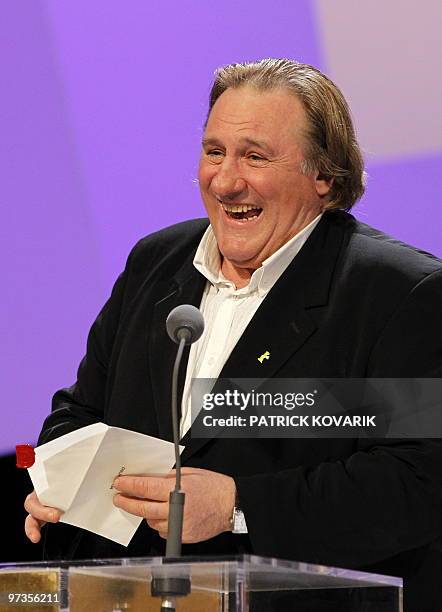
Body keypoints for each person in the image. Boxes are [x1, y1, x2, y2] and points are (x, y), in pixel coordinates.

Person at [24, 59, 442, 609]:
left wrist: (237, 505)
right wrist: (61, 476)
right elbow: (80, 410)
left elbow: (416, 480)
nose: (224, 181)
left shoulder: (397, 293)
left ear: (325, 175)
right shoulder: (157, 262)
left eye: (255, 156)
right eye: (214, 152)